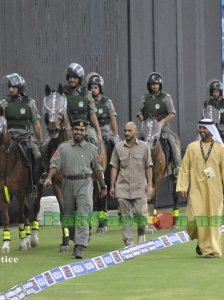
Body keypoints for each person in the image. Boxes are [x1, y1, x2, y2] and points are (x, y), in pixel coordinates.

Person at [44, 119, 107, 259]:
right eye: (76, 130)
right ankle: (77, 237)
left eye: (82, 130)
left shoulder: (92, 149)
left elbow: (98, 169)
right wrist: (49, 177)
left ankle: (80, 247)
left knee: (82, 215)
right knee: (68, 217)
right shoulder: (63, 148)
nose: (79, 132)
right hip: (67, 184)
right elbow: (54, 164)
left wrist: (103, 186)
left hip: (85, 183)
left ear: (85, 132)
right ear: (72, 131)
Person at [176, 119, 224, 258]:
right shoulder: (192, 147)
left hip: (214, 191)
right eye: (200, 128)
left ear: (211, 130)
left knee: (212, 220)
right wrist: (182, 186)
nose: (201, 130)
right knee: (192, 219)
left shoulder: (220, 148)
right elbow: (184, 169)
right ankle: (201, 240)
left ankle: (212, 250)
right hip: (196, 189)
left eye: (204, 128)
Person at [109, 122, 153, 246]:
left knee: (140, 215)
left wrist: (149, 185)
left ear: (136, 131)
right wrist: (112, 186)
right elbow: (114, 167)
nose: (127, 133)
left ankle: (141, 233)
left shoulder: (144, 147)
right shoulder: (118, 147)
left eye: (129, 131)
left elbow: (148, 166)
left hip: (139, 187)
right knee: (125, 216)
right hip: (122, 187)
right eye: (125, 131)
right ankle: (128, 242)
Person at [0, 73, 42, 186]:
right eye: (9, 87)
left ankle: (34, 180)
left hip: (26, 136)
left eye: (13, 87)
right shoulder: (4, 104)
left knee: (38, 155)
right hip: (9, 136)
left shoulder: (30, 103)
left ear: (20, 88)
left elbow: (36, 124)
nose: (10, 89)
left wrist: (40, 141)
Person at [136, 72, 181, 177]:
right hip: (148, 128)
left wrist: (162, 122)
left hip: (162, 127)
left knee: (172, 141)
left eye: (157, 84)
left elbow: (172, 113)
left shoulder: (166, 97)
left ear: (160, 85)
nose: (155, 86)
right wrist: (145, 122)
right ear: (149, 85)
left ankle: (177, 166)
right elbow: (139, 114)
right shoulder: (144, 98)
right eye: (152, 84)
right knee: (135, 141)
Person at [63, 63, 103, 152]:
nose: (72, 80)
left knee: (96, 143)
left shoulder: (86, 94)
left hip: (84, 126)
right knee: (45, 146)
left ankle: (97, 165)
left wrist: (98, 133)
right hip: (66, 127)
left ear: (79, 79)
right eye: (70, 77)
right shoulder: (62, 93)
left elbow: (92, 115)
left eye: (75, 78)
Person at [86, 72, 121, 152]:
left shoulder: (107, 102)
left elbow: (113, 120)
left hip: (106, 130)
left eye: (95, 87)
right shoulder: (86, 101)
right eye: (91, 88)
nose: (93, 90)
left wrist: (116, 135)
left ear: (100, 88)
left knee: (119, 147)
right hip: (91, 131)